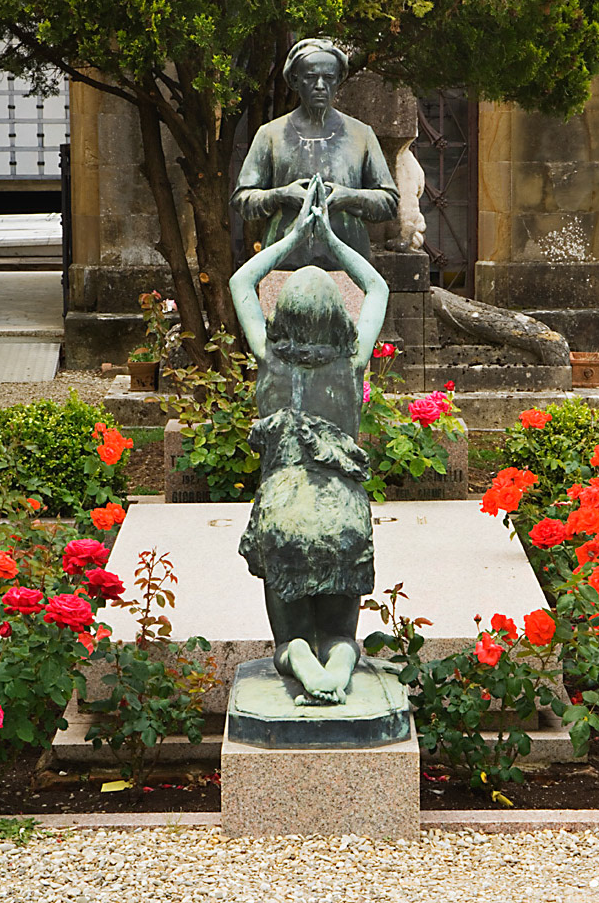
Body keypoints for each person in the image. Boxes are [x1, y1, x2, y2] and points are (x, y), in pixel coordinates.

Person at [229, 174, 388, 704]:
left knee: (291, 621)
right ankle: (339, 663)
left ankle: (296, 653)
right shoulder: (352, 362)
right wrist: (336, 241)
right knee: (341, 629)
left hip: (284, 504)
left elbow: (240, 284)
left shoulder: (269, 355)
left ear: (286, 314)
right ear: (336, 317)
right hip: (341, 509)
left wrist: (294, 238)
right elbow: (379, 288)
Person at [230, 38, 399, 269]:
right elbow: (243, 199)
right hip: (284, 262)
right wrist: (281, 195)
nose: (320, 85)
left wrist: (350, 197)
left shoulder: (362, 135)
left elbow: (389, 202)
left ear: (339, 81)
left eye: (328, 78)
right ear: (295, 80)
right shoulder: (270, 134)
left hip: (348, 262)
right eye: (310, 77)